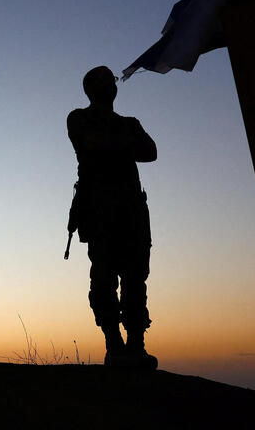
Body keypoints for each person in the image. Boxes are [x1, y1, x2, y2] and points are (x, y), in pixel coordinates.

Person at [67, 66, 157, 369]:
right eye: (103, 81)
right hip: (99, 210)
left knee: (135, 278)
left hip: (131, 211)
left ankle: (135, 344)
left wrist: (112, 144)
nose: (110, 85)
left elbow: (151, 151)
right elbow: (88, 145)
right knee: (103, 279)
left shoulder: (129, 123)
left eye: (111, 80)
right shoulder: (79, 118)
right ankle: (113, 343)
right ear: (90, 88)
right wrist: (122, 145)